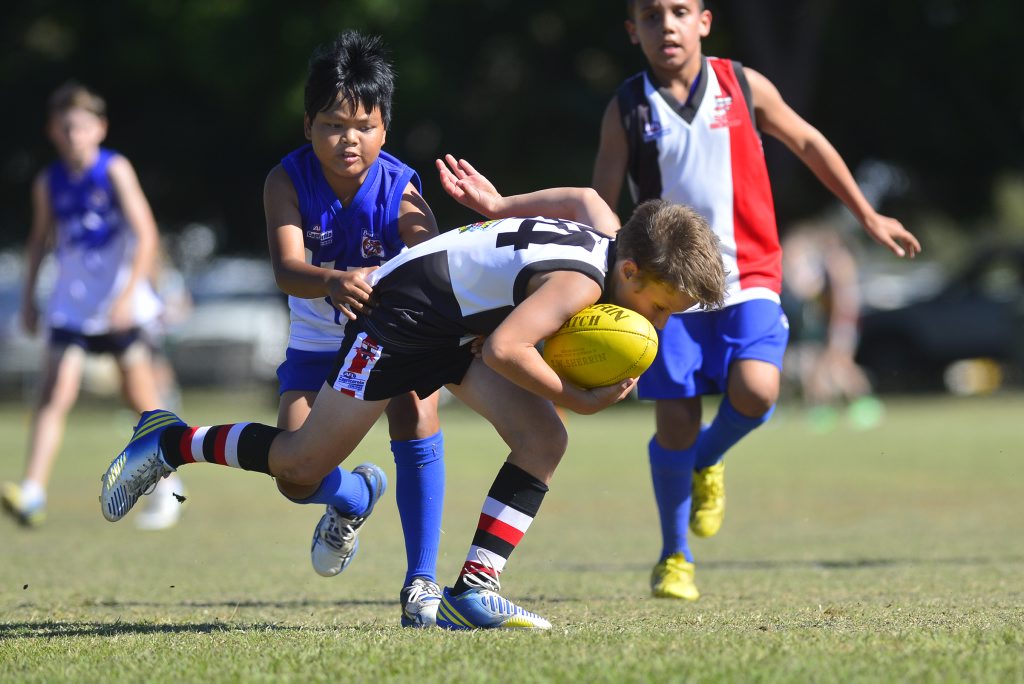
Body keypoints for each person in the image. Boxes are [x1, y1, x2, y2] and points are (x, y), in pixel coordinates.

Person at [99, 154, 727, 630]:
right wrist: (579, 396)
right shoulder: (582, 283)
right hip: (400, 315)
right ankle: (172, 439)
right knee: (300, 463)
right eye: (661, 306)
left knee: (541, 440)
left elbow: (586, 196)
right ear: (628, 271)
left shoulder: (610, 231)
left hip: (450, 321)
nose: (658, 323)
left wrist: (501, 205)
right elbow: (509, 349)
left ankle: (474, 590)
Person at [590, 0, 922, 601]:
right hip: (671, 292)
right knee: (676, 421)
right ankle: (675, 556)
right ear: (631, 30)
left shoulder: (741, 84)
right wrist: (603, 292)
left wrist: (867, 215)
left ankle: (707, 460)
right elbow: (600, 206)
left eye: (680, 11)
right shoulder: (627, 107)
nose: (667, 24)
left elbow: (808, 141)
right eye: (651, 15)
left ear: (704, 22)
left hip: (750, 274)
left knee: (758, 389)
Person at [264, 31, 446, 627]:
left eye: (363, 125)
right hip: (317, 339)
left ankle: (421, 582)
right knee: (294, 473)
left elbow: (432, 259)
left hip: (391, 333)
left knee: (416, 412)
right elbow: (289, 271)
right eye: (333, 124)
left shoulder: (402, 189)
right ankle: (355, 496)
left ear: (384, 129)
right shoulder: (286, 181)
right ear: (309, 126)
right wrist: (335, 280)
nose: (349, 139)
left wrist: (397, 279)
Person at [2, 81, 185, 530]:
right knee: (53, 394)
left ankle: (167, 490)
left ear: (99, 129)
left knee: (141, 398)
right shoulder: (49, 182)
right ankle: (33, 490)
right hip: (73, 307)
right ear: (52, 131)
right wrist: (27, 299)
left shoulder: (115, 170)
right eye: (64, 127)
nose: (72, 135)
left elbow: (146, 233)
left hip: (119, 305)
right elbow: (39, 240)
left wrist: (127, 297)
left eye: (81, 127)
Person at [781, 222, 884, 432]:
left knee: (840, 363)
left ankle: (864, 404)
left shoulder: (838, 261)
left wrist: (835, 325)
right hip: (836, 321)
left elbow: (840, 299)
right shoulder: (831, 263)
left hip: (842, 321)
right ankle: (825, 408)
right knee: (829, 364)